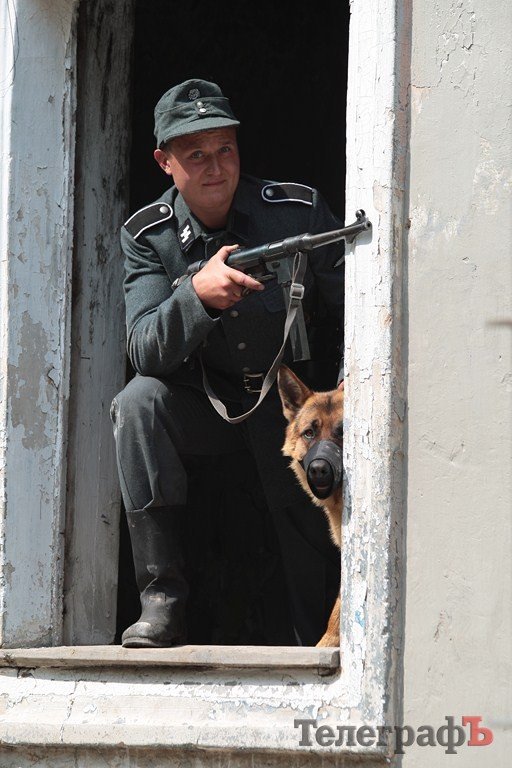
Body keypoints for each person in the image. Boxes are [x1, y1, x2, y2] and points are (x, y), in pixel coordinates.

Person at [110, 78, 344, 648]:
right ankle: (161, 604)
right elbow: (143, 346)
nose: (215, 167)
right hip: (205, 406)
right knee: (138, 403)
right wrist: (197, 297)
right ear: (165, 162)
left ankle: (322, 643)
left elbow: (360, 305)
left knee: (311, 569)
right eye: (195, 155)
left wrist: (340, 391)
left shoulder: (296, 211)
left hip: (292, 409)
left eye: (225, 150)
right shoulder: (149, 236)